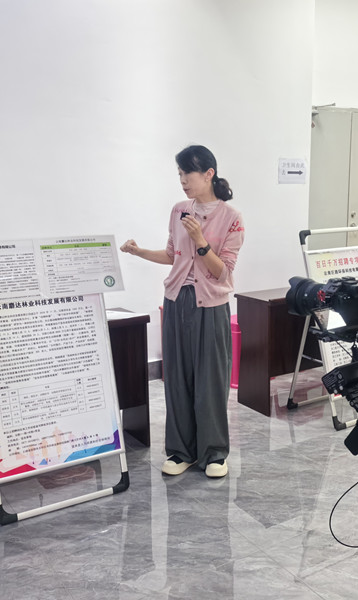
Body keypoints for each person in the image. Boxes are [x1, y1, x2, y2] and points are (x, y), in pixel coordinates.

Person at [120, 145, 244, 478]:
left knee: (211, 380)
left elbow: (222, 272)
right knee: (176, 377)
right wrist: (138, 252)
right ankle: (181, 451)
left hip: (211, 305)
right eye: (179, 174)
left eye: (188, 173)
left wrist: (201, 241)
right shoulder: (179, 210)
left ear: (209, 174)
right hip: (176, 301)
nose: (183, 180)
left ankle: (214, 453)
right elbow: (172, 254)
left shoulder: (231, 217)